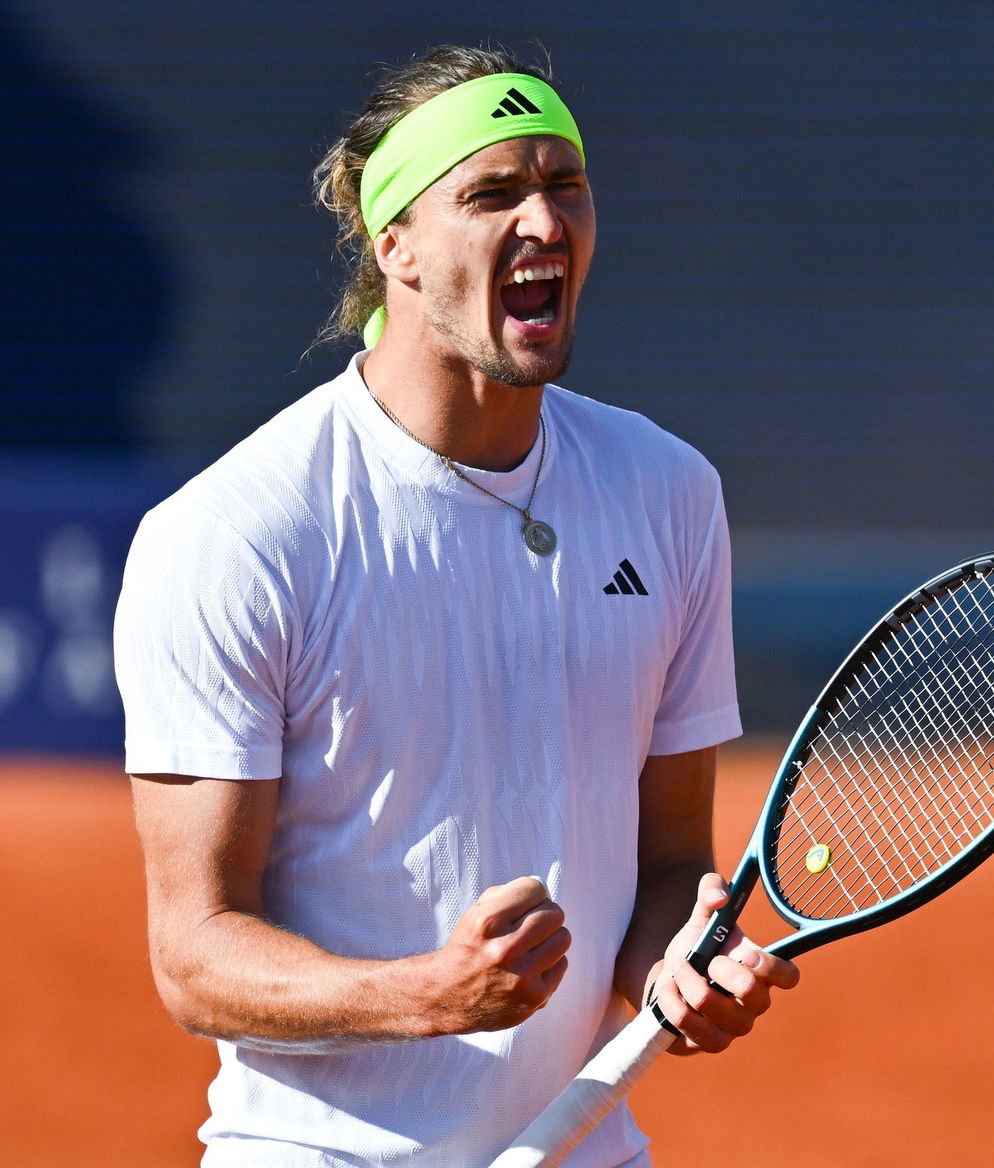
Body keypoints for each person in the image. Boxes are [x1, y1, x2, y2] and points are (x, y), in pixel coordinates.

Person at [113, 43, 797, 1168]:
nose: (543, 220)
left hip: (583, 1142)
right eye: (490, 194)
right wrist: (421, 995)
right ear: (398, 250)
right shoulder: (239, 532)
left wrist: (679, 957)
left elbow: (671, 852)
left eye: (563, 184)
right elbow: (194, 952)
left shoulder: (668, 491)